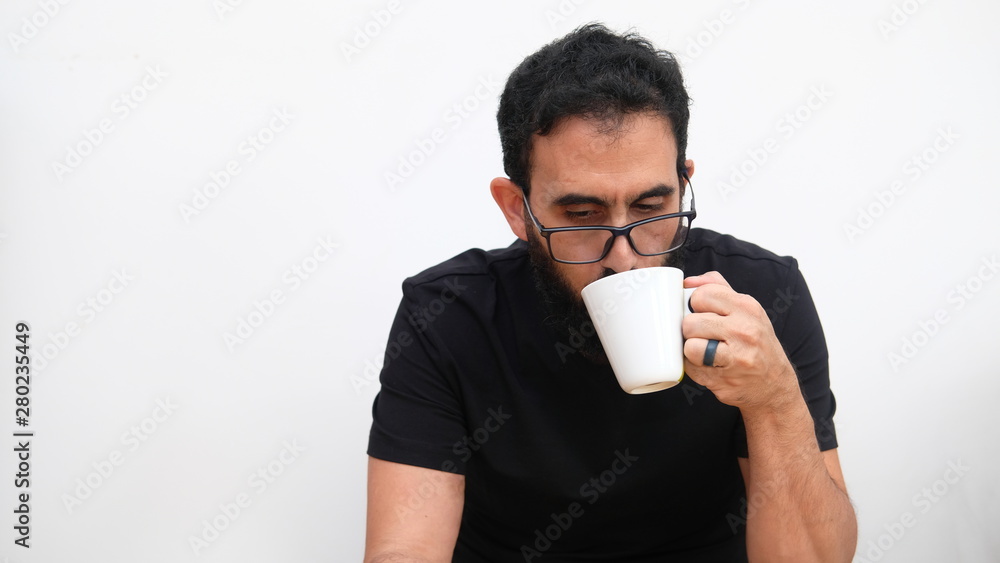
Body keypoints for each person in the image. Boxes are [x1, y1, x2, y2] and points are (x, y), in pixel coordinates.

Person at [364, 23, 857, 563]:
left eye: (650, 208)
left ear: (683, 182)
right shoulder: (448, 316)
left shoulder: (762, 296)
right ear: (516, 210)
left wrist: (773, 399)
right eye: (581, 215)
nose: (625, 256)